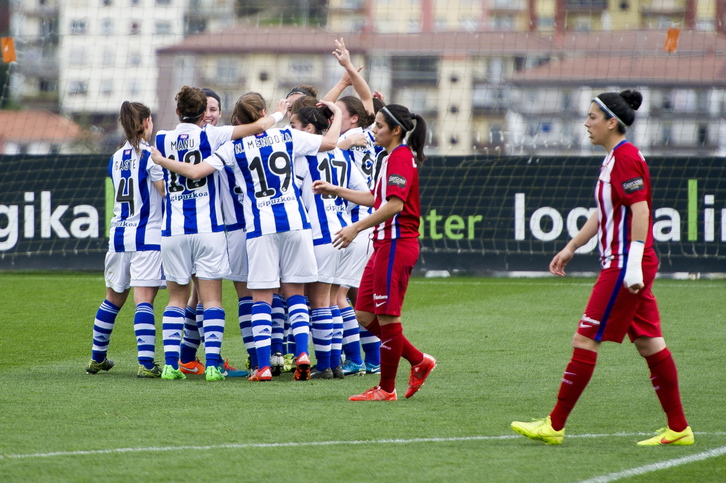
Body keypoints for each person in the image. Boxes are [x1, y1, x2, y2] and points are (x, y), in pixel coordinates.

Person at [511, 89, 693, 446]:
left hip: (625, 264)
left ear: (612, 122)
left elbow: (640, 211)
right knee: (650, 344)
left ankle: (555, 424)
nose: (586, 123)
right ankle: (678, 428)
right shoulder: (613, 158)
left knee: (585, 338)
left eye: (592, 117)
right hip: (624, 261)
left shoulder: (624, 158)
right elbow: (603, 212)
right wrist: (571, 247)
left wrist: (635, 265)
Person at [152, 93, 341, 382]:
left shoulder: (232, 146)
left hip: (258, 228)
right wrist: (337, 114)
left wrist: (161, 160)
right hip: (295, 224)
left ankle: (262, 366)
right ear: (264, 113)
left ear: (238, 121)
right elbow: (330, 143)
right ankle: (302, 354)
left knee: (261, 298)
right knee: (296, 296)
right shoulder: (288, 136)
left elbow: (194, 171)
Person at [153, 86, 283, 382]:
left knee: (176, 300)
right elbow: (261, 126)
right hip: (209, 229)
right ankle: (212, 364)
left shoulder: (160, 138)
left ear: (177, 111)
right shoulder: (211, 134)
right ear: (204, 115)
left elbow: (160, 184)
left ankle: (171, 365)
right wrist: (280, 111)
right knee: (211, 301)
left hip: (172, 231)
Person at [312, 104, 436, 401]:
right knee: (365, 314)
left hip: (396, 244)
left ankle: (386, 389)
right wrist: (336, 189)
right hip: (382, 245)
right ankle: (419, 361)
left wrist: (355, 227)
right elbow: (374, 198)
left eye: (380, 125)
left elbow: (394, 205)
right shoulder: (389, 158)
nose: (375, 130)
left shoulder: (401, 159)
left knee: (388, 317)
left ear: (396, 130)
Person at [86, 101, 166, 378]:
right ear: (146, 123)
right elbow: (164, 191)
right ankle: (146, 364)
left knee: (111, 300)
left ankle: (97, 358)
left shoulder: (115, 157)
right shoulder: (151, 155)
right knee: (144, 301)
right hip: (147, 237)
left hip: (119, 237)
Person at [290, 104, 369, 380]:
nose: (291, 132)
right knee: (334, 301)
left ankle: (325, 364)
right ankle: (334, 363)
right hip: (342, 232)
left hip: (319, 235)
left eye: (295, 126)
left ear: (310, 129)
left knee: (320, 302)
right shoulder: (342, 156)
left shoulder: (303, 155)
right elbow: (369, 194)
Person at [177, 87, 247, 378]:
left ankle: (187, 357)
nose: (209, 114)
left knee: (198, 296)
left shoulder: (224, 138)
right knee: (215, 296)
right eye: (205, 109)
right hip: (211, 231)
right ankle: (218, 361)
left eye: (214, 109)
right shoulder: (196, 142)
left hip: (225, 230)